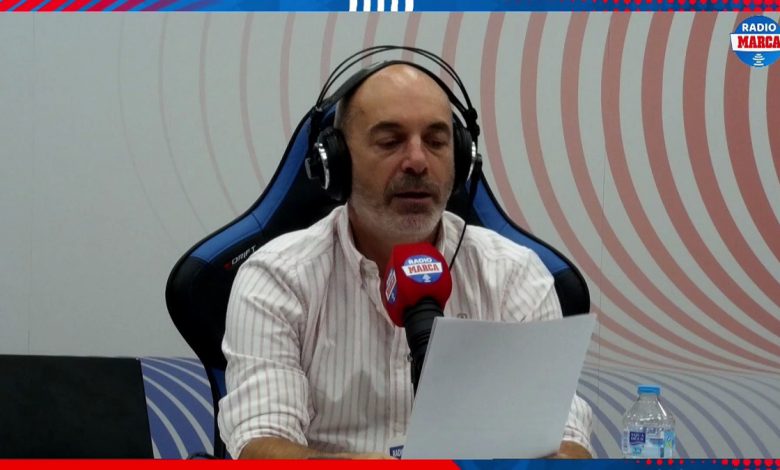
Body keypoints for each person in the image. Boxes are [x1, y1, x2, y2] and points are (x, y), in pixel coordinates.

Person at [217, 57, 594, 460]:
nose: (417, 161)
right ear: (336, 162)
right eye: (390, 142)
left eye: (436, 142)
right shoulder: (278, 277)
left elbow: (566, 441)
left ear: (461, 157)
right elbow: (261, 445)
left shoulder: (513, 275)